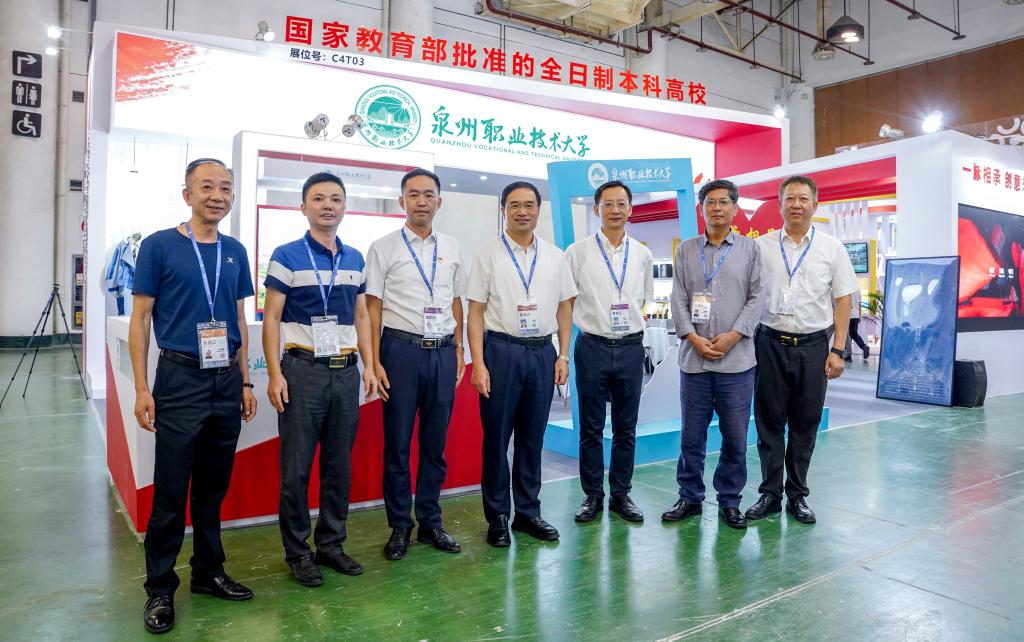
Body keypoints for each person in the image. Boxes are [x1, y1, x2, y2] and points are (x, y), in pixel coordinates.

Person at [129, 158, 257, 635]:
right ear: (187, 195)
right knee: (170, 491)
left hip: (226, 381)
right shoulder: (159, 246)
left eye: (225, 188)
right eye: (206, 187)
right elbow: (141, 318)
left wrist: (245, 381)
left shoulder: (235, 250)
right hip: (180, 379)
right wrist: (142, 387)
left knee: (212, 487)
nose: (217, 195)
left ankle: (207, 572)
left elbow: (239, 320)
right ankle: (160, 587)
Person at [262, 172, 379, 587]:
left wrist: (370, 366)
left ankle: (331, 544)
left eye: (335, 198)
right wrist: (274, 373)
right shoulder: (287, 255)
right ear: (303, 207)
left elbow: (361, 316)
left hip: (345, 373)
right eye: (318, 198)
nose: (328, 205)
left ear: (344, 206)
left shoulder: (355, 259)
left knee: (338, 466)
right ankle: (298, 552)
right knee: (296, 469)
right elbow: (272, 316)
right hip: (303, 372)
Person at [365, 168, 467, 560]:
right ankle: (399, 526)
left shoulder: (453, 247)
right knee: (397, 443)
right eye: (413, 194)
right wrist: (375, 360)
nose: (421, 201)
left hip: (442, 352)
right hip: (400, 352)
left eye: (428, 194)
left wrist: (458, 348)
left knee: (435, 444)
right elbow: (372, 307)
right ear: (402, 201)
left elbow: (456, 301)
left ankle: (430, 522)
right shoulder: (383, 247)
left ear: (439, 201)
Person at [745, 175, 858, 525]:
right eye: (790, 198)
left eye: (803, 199)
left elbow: (843, 300)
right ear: (779, 205)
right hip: (769, 343)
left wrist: (838, 349)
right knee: (768, 423)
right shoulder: (760, 247)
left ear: (815, 205)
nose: (796, 204)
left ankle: (797, 495)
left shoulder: (831, 248)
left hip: (813, 347)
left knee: (805, 424)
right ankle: (769, 494)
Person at [468, 181, 576, 546]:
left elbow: (565, 308)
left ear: (538, 210)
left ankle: (528, 512)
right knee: (497, 438)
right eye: (514, 205)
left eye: (529, 204)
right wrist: (478, 363)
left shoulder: (555, 256)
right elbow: (475, 312)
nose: (522, 211)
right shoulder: (487, 254)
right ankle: (498, 515)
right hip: (501, 351)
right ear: (504, 210)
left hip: (542, 352)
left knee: (533, 438)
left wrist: (563, 354)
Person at [662, 179, 764, 529]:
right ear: (702, 209)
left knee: (735, 437)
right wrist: (691, 336)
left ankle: (730, 500)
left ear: (735, 208)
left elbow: (758, 297)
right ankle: (689, 496)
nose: (717, 208)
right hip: (695, 361)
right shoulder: (687, 250)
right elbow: (678, 296)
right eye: (710, 202)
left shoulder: (750, 250)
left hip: (737, 362)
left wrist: (734, 335)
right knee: (692, 435)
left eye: (724, 202)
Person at [564, 180, 653, 524]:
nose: (615, 210)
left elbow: (644, 300)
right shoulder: (577, 252)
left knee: (626, 428)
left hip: (630, 347)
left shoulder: (642, 254)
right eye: (608, 204)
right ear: (597, 208)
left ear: (630, 209)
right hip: (592, 346)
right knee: (590, 427)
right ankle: (592, 495)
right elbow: (566, 302)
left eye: (621, 204)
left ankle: (620, 494)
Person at [846, 287, 870, 360]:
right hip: (856, 316)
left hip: (848, 315)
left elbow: (847, 304)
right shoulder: (858, 290)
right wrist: (859, 316)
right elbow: (859, 305)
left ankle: (848, 355)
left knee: (848, 336)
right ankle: (864, 347)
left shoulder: (847, 289)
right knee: (854, 334)